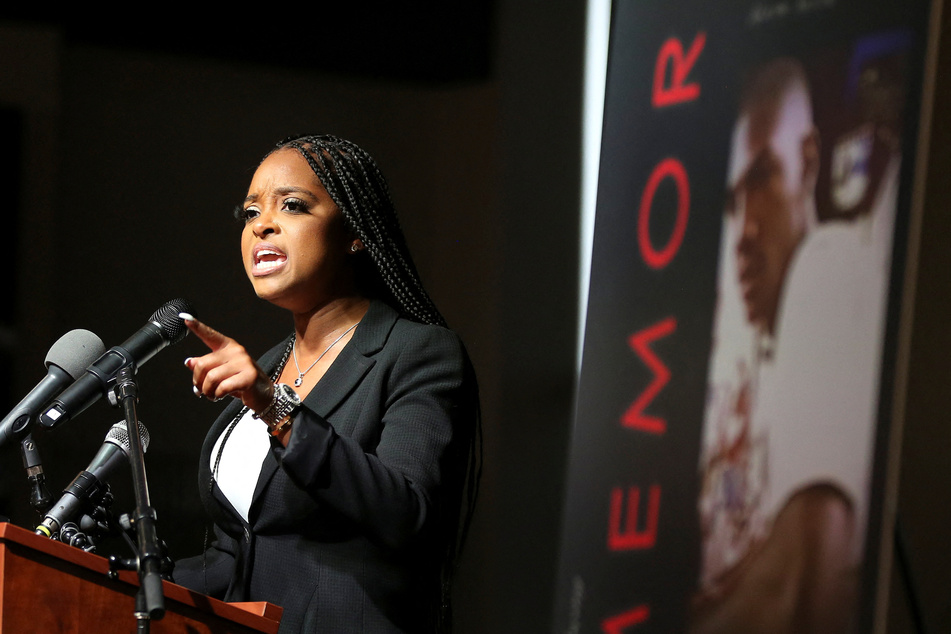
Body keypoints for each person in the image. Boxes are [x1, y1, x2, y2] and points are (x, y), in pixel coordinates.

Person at [172, 134, 480, 634]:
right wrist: (127, 573)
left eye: (292, 206)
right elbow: (240, 552)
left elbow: (408, 513)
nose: (262, 225)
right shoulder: (268, 367)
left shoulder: (417, 352)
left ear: (355, 232)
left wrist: (275, 409)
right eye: (250, 213)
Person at [692, 59, 863, 633]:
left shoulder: (825, 265)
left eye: (762, 179)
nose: (742, 232)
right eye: (731, 200)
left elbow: (796, 590)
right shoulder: (747, 339)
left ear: (809, 162)